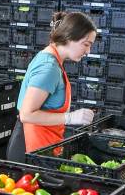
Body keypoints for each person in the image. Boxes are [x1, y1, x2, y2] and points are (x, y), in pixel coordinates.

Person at [6, 12, 97, 162]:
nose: (88, 51)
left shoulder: (52, 60)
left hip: (42, 147)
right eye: (86, 44)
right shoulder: (49, 68)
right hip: (30, 149)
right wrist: (70, 117)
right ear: (69, 37)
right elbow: (26, 114)